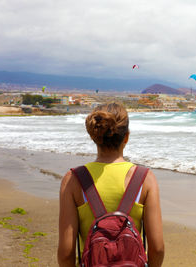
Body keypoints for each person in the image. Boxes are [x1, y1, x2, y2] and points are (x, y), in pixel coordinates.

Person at [58, 103, 164, 267]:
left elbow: (66, 254)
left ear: (94, 136)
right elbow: (157, 248)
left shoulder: (73, 180)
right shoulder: (144, 178)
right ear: (126, 137)